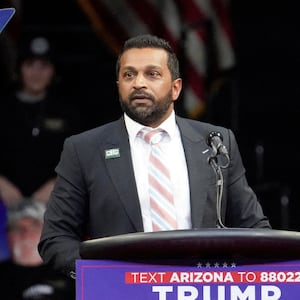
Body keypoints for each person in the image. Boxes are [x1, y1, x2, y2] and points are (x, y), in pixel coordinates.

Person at [38, 34, 271, 279]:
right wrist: (100, 275)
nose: (139, 83)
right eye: (129, 74)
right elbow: (56, 238)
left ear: (176, 88)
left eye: (152, 74)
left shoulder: (216, 142)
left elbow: (254, 228)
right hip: (121, 292)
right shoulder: (84, 149)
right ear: (118, 85)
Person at [0, 35, 83, 207]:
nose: (36, 73)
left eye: (44, 66)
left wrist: (58, 183)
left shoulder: (68, 112)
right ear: (19, 69)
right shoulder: (3, 107)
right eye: (30, 65)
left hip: (54, 203)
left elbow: (81, 159)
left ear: (53, 71)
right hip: (4, 203)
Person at [0, 199, 75, 299]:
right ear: (8, 234)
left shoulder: (71, 273)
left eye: (34, 226)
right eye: (17, 227)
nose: (25, 234)